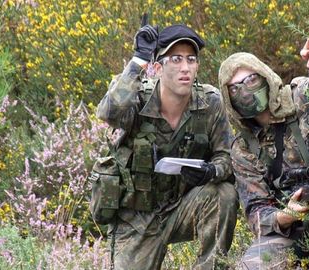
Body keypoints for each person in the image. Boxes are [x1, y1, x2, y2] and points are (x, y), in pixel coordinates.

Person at [96, 23, 238, 270]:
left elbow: (225, 158)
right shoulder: (138, 98)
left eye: (191, 60)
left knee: (223, 194)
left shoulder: (209, 103)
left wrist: (210, 172)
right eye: (176, 59)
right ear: (158, 67)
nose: (185, 68)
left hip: (181, 209)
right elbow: (109, 112)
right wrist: (139, 59)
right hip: (136, 221)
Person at [217, 39, 309, 269]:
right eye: (235, 88)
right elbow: (256, 211)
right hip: (295, 227)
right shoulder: (243, 147)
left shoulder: (301, 97)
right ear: (229, 99)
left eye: (251, 79)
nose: (245, 90)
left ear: (265, 76)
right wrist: (285, 215)